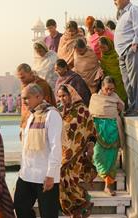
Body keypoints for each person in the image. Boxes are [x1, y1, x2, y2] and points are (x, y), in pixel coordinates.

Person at [14, 84, 62, 218]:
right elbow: (26, 148)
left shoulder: (52, 115)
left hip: (45, 176)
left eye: (27, 98)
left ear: (39, 96)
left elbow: (55, 146)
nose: (24, 101)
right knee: (20, 207)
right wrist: (22, 170)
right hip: (27, 174)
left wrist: (51, 174)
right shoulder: (30, 116)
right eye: (22, 98)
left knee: (48, 214)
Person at [57, 84, 97, 217]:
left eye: (64, 95)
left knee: (69, 180)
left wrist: (90, 147)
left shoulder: (82, 110)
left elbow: (91, 130)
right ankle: (77, 208)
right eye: (60, 96)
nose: (62, 99)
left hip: (77, 154)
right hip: (63, 154)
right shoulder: (60, 111)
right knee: (63, 181)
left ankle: (81, 204)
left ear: (71, 94)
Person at [89, 76, 125, 196]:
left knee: (111, 161)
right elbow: (92, 114)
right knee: (98, 156)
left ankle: (108, 186)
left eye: (112, 89)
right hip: (99, 132)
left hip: (113, 131)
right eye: (107, 89)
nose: (109, 92)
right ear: (102, 87)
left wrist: (120, 108)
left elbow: (121, 107)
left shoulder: (115, 98)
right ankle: (100, 176)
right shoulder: (95, 98)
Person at [114, 0, 138, 116]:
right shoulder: (122, 14)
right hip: (122, 52)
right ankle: (132, 106)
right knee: (127, 82)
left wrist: (135, 43)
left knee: (136, 80)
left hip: (131, 49)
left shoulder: (134, 9)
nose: (114, 2)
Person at [16, 63, 56, 129]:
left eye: (23, 77)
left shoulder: (42, 85)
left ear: (30, 73)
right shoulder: (24, 85)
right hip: (26, 122)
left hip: (40, 123)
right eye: (19, 78)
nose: (21, 80)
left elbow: (45, 106)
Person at [99, 36, 128, 104]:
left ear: (109, 45)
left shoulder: (117, 55)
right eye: (100, 47)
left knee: (122, 94)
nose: (102, 49)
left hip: (120, 80)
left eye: (103, 47)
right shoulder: (103, 57)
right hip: (109, 82)